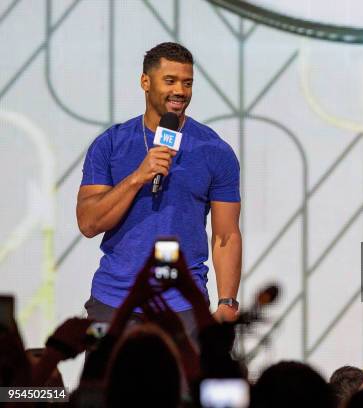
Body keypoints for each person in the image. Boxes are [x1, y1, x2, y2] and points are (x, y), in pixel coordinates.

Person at [76, 42, 242, 334]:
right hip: (113, 300)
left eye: (187, 83)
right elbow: (89, 223)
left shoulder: (215, 150)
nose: (180, 90)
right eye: (170, 81)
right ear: (145, 82)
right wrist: (138, 176)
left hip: (184, 305)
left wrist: (227, 302)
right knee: (104, 381)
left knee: (187, 381)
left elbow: (226, 234)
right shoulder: (110, 144)